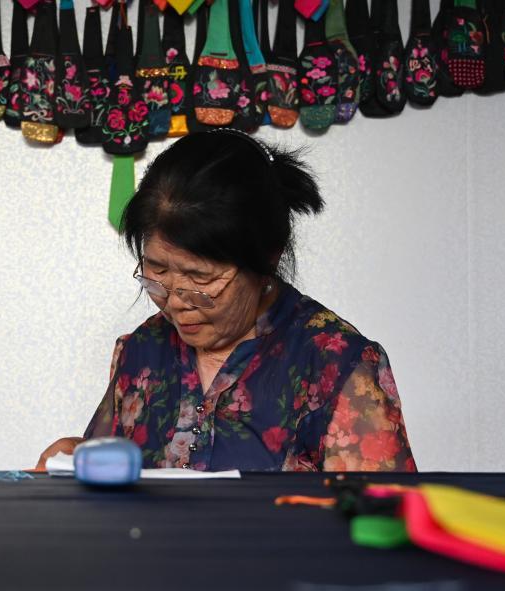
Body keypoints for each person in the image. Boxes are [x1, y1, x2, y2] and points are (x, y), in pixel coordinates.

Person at [37, 130, 415, 472]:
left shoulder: (335, 363)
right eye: (157, 271)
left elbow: (384, 515)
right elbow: (109, 483)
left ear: (267, 257)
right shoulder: (142, 350)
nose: (176, 302)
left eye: (200, 277)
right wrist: (75, 462)